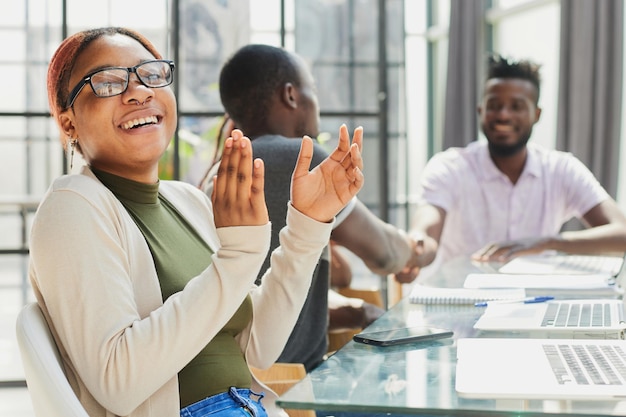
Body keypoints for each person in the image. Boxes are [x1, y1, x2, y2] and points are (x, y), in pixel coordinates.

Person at [31, 27, 365, 417]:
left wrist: (308, 226)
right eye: (107, 82)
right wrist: (238, 256)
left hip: (251, 406)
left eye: (151, 75)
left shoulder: (187, 200)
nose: (139, 91)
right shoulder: (72, 206)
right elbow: (119, 382)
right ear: (68, 123)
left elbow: (257, 346)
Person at [201, 44, 422, 372]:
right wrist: (417, 248)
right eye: (313, 90)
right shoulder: (299, 159)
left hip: (236, 370)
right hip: (293, 381)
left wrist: (355, 309)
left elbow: (280, 288)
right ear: (290, 95)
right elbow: (385, 256)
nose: (317, 102)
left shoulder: (219, 174)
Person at [399, 54, 626, 279]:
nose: (503, 115)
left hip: (535, 301)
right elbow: (426, 231)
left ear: (536, 114)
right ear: (481, 111)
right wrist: (415, 249)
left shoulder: (561, 169)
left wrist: (546, 243)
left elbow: (622, 233)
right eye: (494, 105)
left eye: (516, 106)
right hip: (458, 303)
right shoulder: (449, 167)